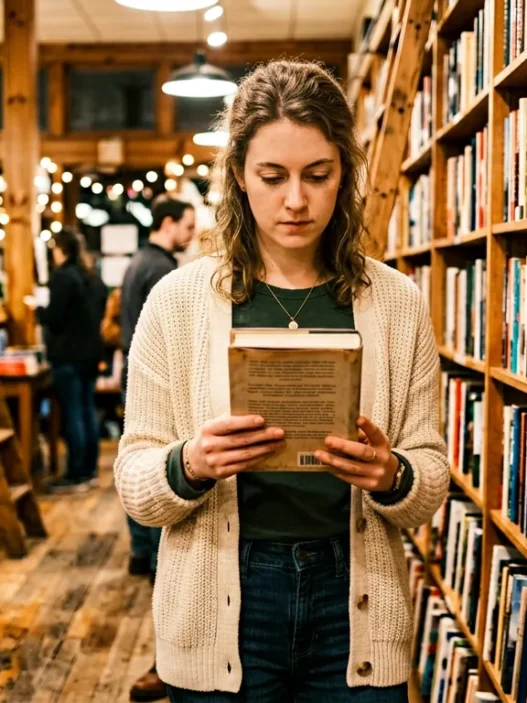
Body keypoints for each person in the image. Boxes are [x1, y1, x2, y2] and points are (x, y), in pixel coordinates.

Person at [115, 60, 450, 703]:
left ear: (343, 176)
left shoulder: (397, 302)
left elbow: (429, 478)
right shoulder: (177, 302)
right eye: (272, 176)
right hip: (221, 600)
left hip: (356, 599)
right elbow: (135, 481)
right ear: (239, 175)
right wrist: (189, 463)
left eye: (317, 176)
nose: (294, 200)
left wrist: (392, 474)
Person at [120, 194, 195, 703]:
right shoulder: (166, 277)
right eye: (187, 225)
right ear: (168, 224)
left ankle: (141, 553)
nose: (192, 233)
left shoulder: (137, 264)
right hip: (156, 395)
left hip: (135, 378)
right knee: (161, 539)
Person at [36, 228, 107, 493]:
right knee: (87, 410)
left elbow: (54, 317)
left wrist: (37, 310)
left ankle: (76, 472)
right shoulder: (91, 278)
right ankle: (88, 470)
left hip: (68, 355)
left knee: (74, 412)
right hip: (90, 354)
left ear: (61, 250)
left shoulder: (63, 277)